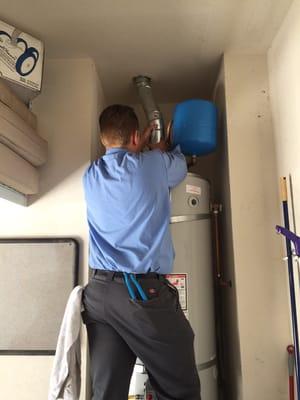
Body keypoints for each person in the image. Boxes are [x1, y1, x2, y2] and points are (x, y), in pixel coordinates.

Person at [82, 104, 201, 400]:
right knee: (179, 387)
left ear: (103, 140)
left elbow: (130, 165)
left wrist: (143, 150)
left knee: (106, 391)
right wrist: (159, 148)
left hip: (98, 295)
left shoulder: (91, 174)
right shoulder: (156, 163)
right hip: (139, 295)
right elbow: (179, 165)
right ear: (137, 136)